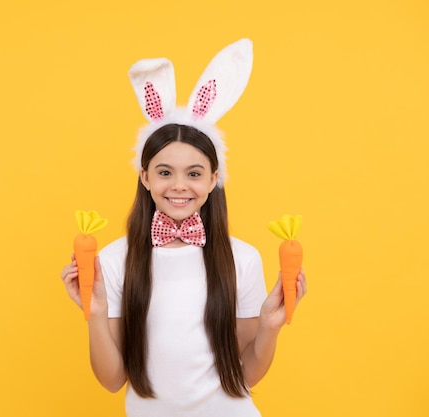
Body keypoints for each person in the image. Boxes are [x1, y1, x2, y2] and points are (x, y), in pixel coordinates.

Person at [60, 39, 307, 417]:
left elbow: (245, 376)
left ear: (213, 179)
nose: (179, 186)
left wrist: (271, 327)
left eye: (194, 173)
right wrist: (94, 314)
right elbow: (112, 380)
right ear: (144, 177)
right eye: (164, 172)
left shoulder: (241, 258)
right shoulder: (113, 259)